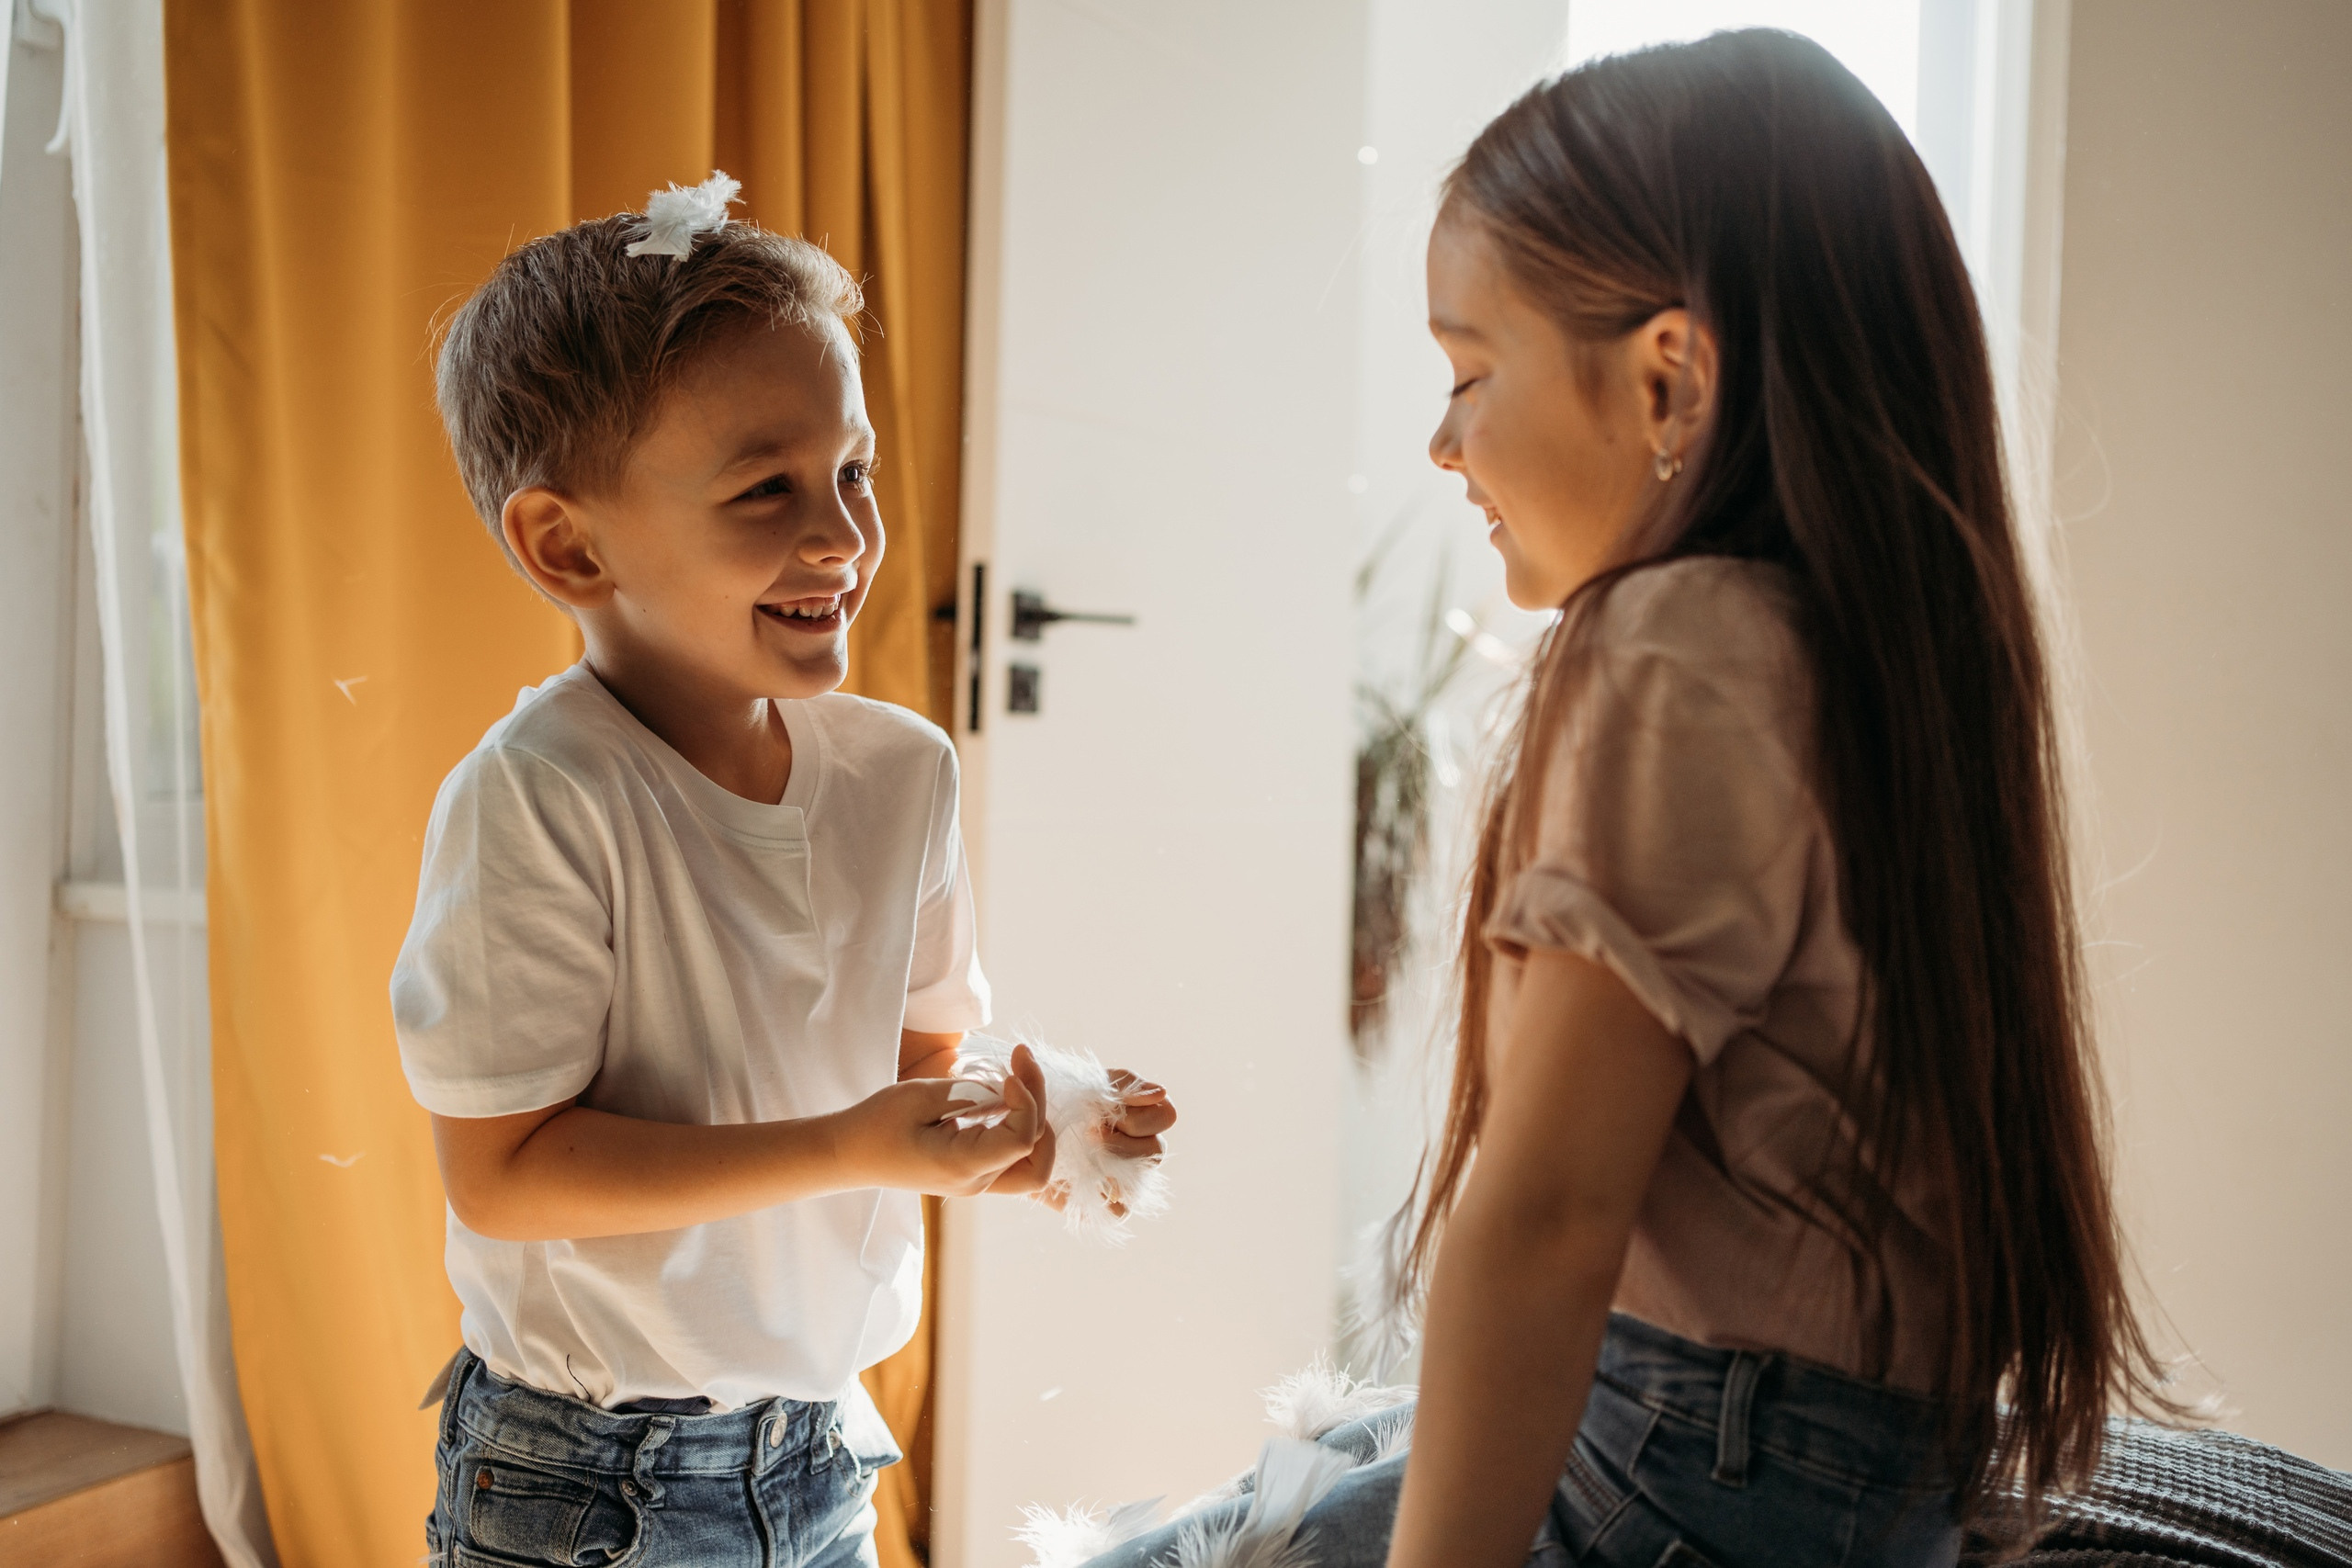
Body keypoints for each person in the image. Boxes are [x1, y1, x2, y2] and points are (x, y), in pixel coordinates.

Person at [1090, 29, 2172, 1568]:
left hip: (1691, 1466)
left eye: (1470, 372)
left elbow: (1543, 1224)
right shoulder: (1876, 650)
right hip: (1829, 1471)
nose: (1442, 441)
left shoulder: (1680, 642)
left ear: (1671, 375)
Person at [393, 178, 1176, 1568]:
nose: (843, 537)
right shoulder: (543, 797)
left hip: (819, 1451)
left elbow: (911, 1073)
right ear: (569, 546)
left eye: (853, 472)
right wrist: (847, 1146)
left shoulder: (903, 774)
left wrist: (1036, 1125)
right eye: (768, 489)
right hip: (591, 1482)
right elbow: (505, 1175)